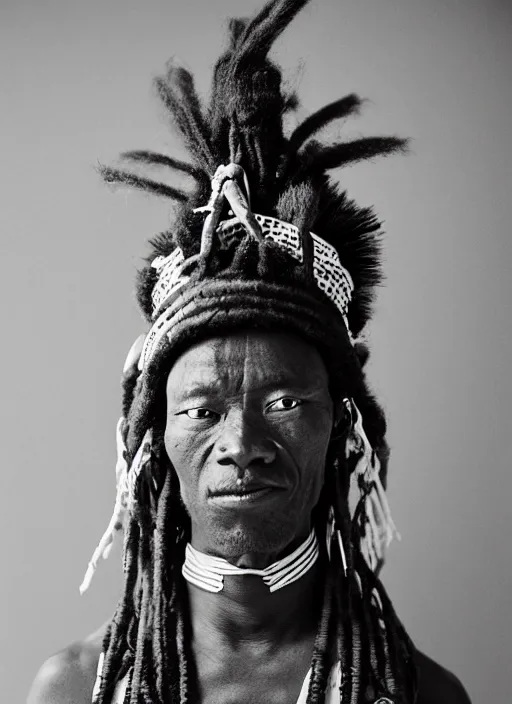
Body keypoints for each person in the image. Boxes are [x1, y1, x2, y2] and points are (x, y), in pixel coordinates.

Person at [27, 1, 473, 702]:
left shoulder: (418, 692)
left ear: (342, 428)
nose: (243, 442)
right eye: (202, 409)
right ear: (149, 440)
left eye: (286, 401)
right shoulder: (79, 688)